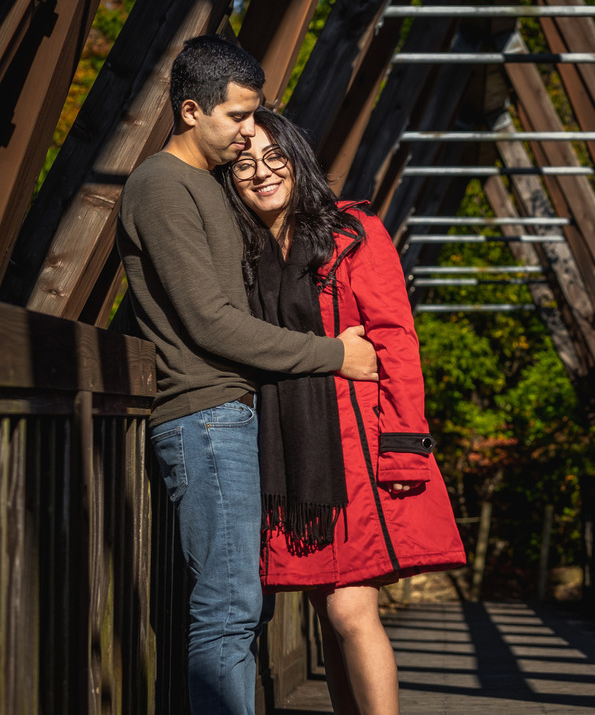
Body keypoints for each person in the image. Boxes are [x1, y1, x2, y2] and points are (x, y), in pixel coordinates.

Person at [116, 35, 379, 715]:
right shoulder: (160, 186)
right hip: (204, 417)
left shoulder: (201, 188)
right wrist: (331, 354)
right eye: (236, 117)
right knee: (230, 606)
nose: (246, 133)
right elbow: (210, 323)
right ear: (191, 110)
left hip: (230, 415)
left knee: (239, 605)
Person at [219, 107, 465, 715]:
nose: (262, 172)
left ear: (297, 159)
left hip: (356, 448)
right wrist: (331, 354)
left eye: (275, 156)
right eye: (245, 162)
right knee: (326, 618)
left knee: (349, 609)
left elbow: (396, 340)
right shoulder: (241, 247)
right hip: (290, 450)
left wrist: (405, 443)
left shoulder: (351, 231)